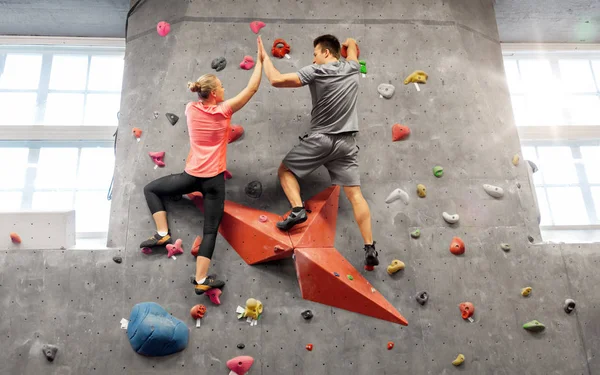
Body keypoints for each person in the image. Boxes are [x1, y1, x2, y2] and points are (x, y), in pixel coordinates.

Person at [140, 37, 264, 294]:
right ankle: (200, 280)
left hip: (190, 177)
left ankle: (162, 233)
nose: (224, 88)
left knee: (151, 189)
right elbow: (251, 89)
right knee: (209, 231)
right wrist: (260, 62)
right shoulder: (224, 111)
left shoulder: (189, 109)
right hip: (214, 182)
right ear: (215, 94)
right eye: (221, 85)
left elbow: (202, 100)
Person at [257, 34, 380, 269]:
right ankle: (369, 246)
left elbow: (276, 80)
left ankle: (297, 210)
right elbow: (352, 46)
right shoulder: (353, 68)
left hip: (321, 139)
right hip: (347, 145)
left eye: (315, 54)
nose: (312, 59)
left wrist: (264, 58)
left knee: (285, 171)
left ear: (325, 53)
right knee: (355, 195)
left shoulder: (316, 72)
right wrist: (349, 43)